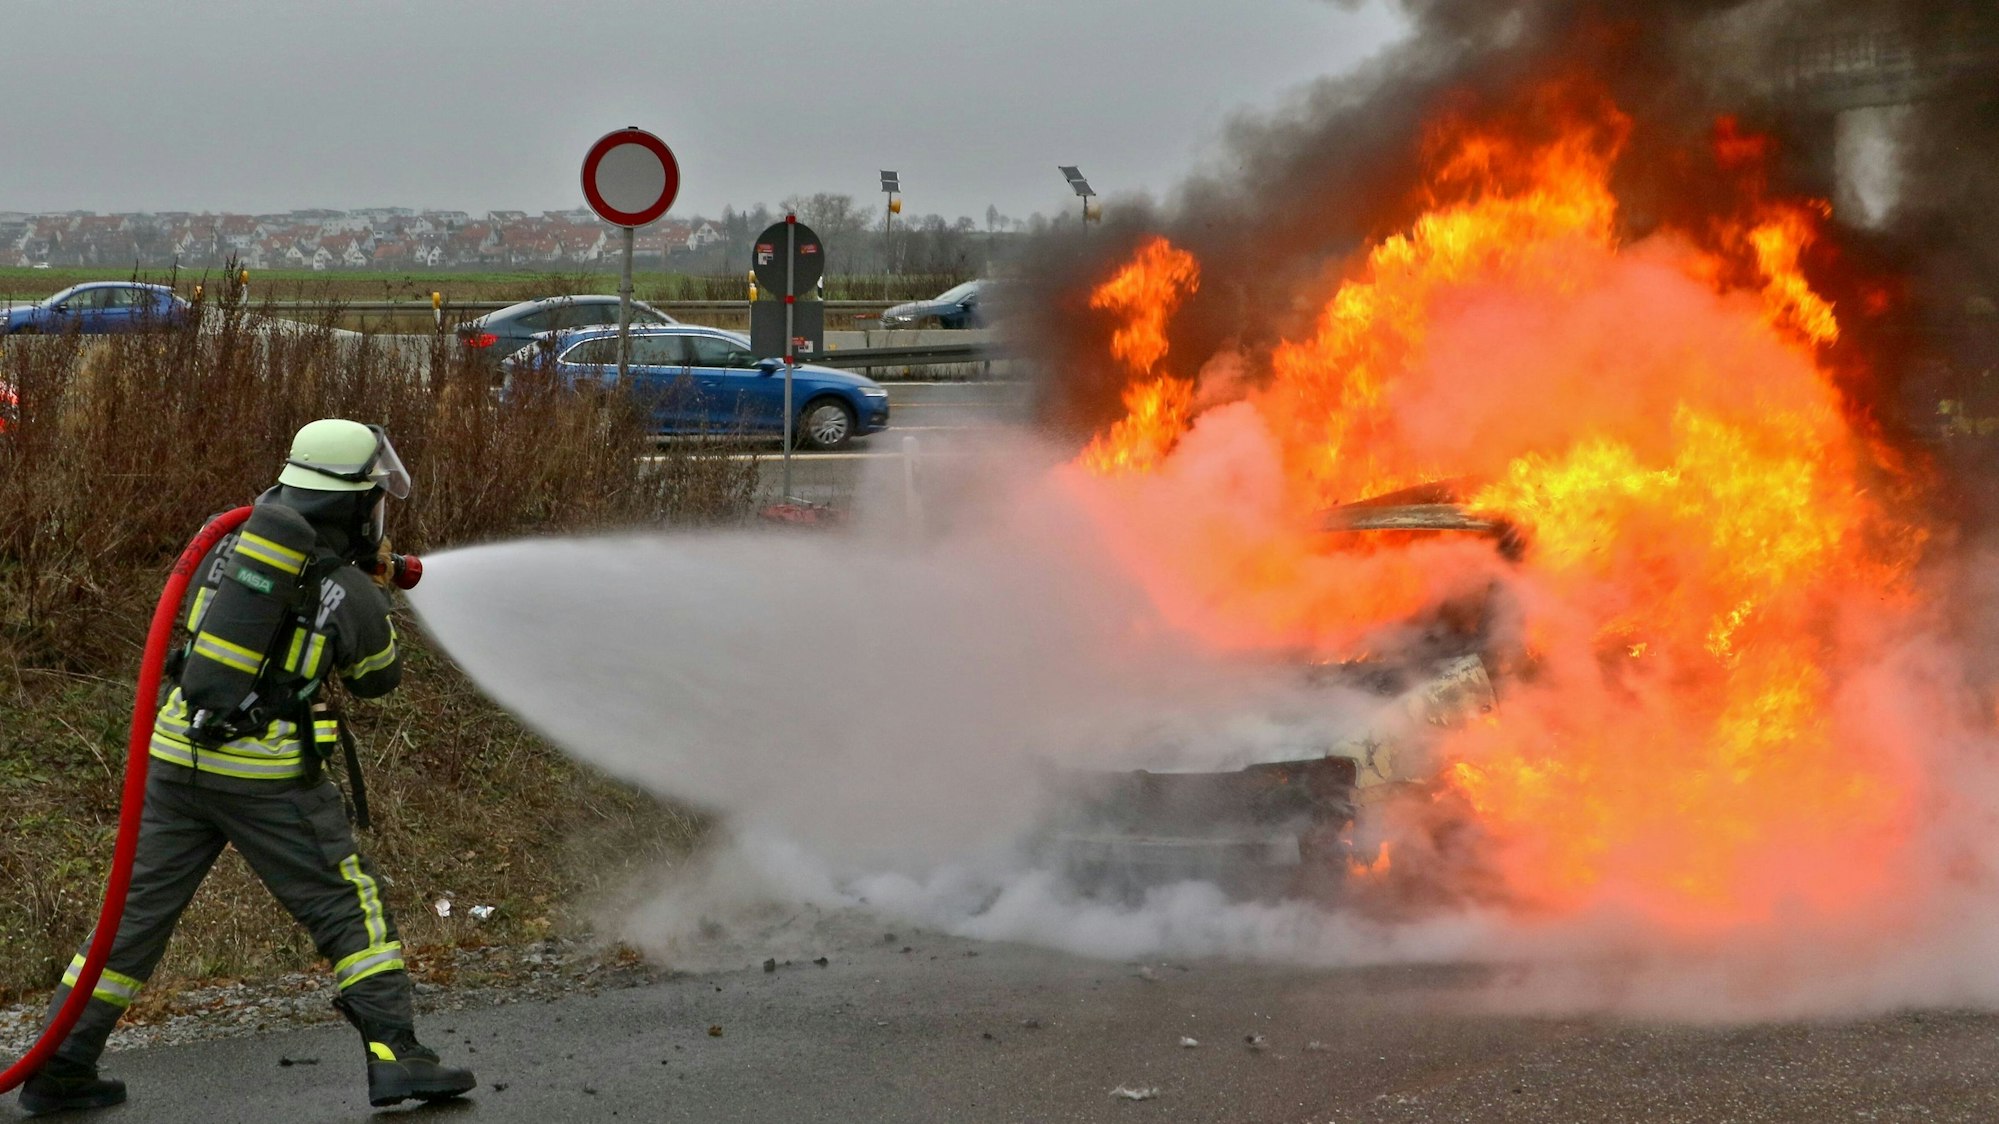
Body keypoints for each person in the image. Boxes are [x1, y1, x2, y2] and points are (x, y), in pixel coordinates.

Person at [18, 419, 475, 1116]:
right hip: (265, 779)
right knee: (348, 910)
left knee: (131, 921)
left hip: (174, 757)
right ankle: (398, 1058)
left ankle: (62, 1066)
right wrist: (370, 592)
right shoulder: (345, 589)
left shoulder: (226, 540)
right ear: (353, 504)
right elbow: (378, 677)